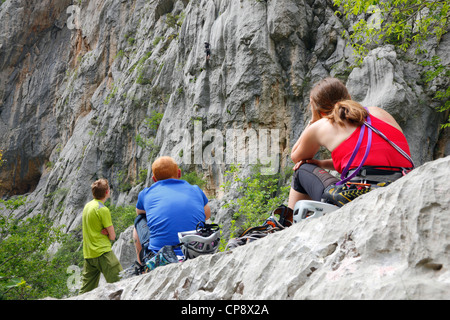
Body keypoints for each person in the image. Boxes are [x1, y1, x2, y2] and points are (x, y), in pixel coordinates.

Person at [288, 77, 413, 210]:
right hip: (403, 185)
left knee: (301, 170)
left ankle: (288, 226)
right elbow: (369, 159)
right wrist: (321, 164)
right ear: (349, 96)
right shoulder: (379, 112)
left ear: (319, 110)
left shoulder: (321, 126)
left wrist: (313, 120)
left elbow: (296, 157)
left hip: (358, 194)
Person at [133, 156, 211, 266]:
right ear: (179, 173)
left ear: (154, 179)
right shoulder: (195, 189)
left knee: (139, 220)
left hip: (161, 258)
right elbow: (207, 215)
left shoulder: (145, 194)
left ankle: (143, 266)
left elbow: (140, 213)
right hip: (197, 251)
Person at [80, 179, 123, 294]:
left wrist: (104, 231)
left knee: (85, 291)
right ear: (106, 192)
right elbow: (113, 236)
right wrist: (107, 232)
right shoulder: (103, 209)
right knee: (121, 283)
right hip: (103, 253)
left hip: (89, 255)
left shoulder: (87, 206)